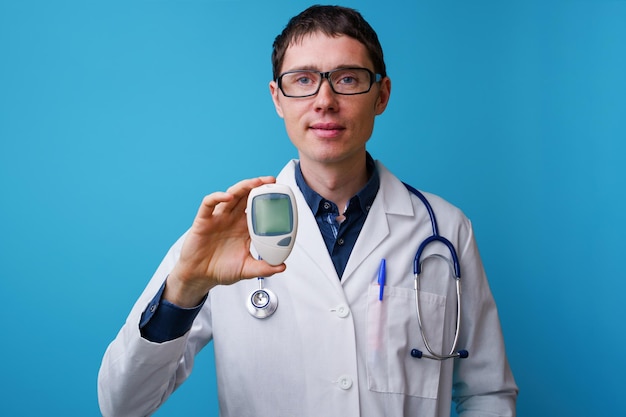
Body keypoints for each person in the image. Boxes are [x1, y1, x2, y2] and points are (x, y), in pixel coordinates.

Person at [98, 5, 518, 417]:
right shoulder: (226, 231)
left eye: (347, 79)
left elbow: (488, 394)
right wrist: (184, 289)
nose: (325, 101)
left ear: (382, 95)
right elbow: (122, 405)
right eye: (303, 80)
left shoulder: (444, 227)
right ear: (277, 99)